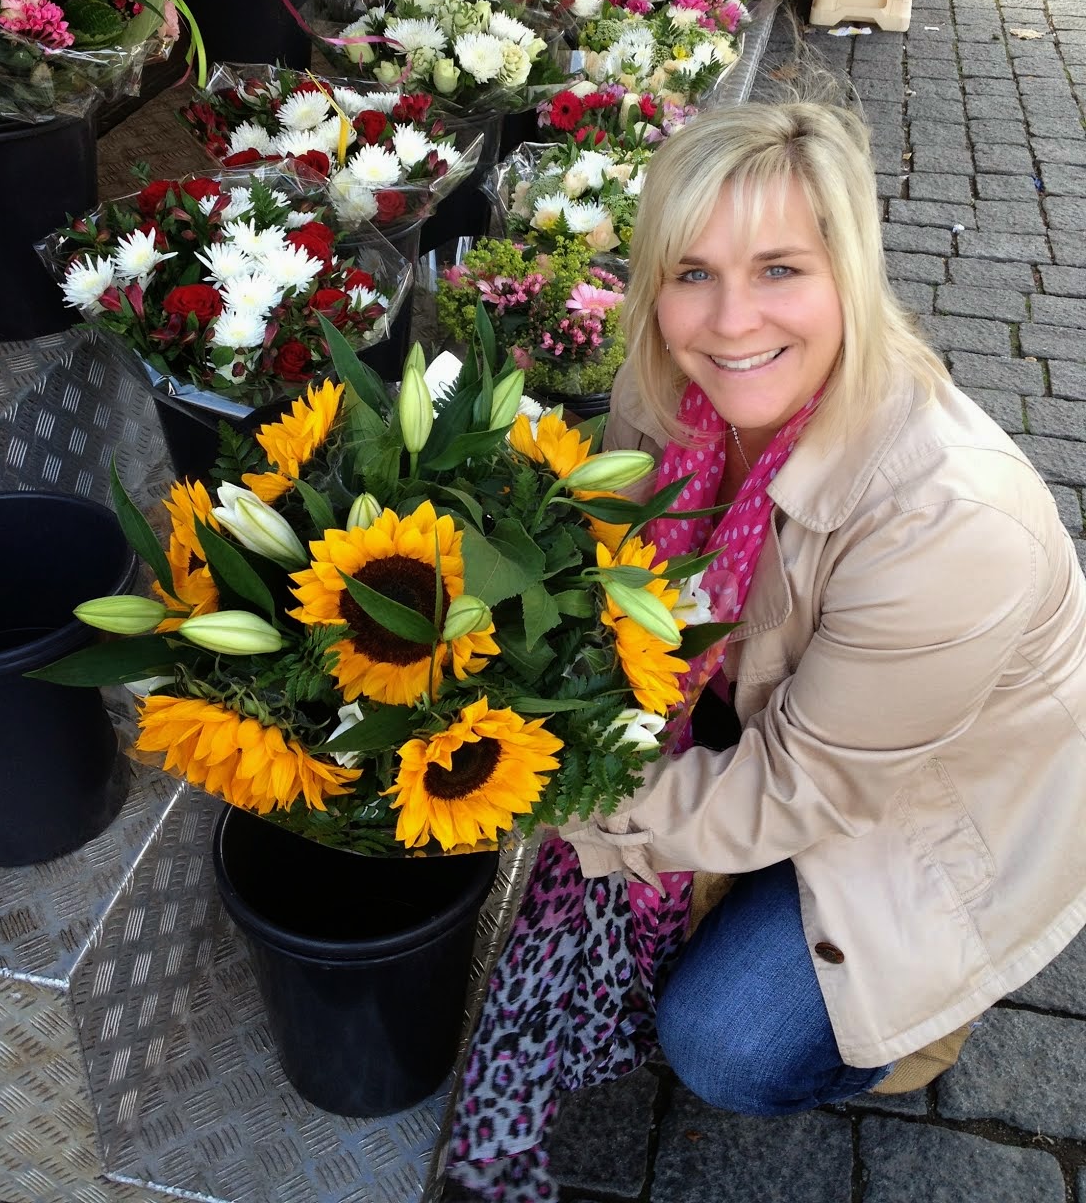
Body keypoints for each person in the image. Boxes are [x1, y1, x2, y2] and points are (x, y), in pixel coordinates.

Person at [445, 102, 1086, 1201]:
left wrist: (555, 797)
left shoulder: (948, 522)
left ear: (853, 271)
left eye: (779, 267)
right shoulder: (673, 385)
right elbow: (623, 584)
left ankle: (918, 1018)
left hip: (926, 819)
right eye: (691, 271)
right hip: (775, 720)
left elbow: (804, 789)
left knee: (726, 1045)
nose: (729, 319)